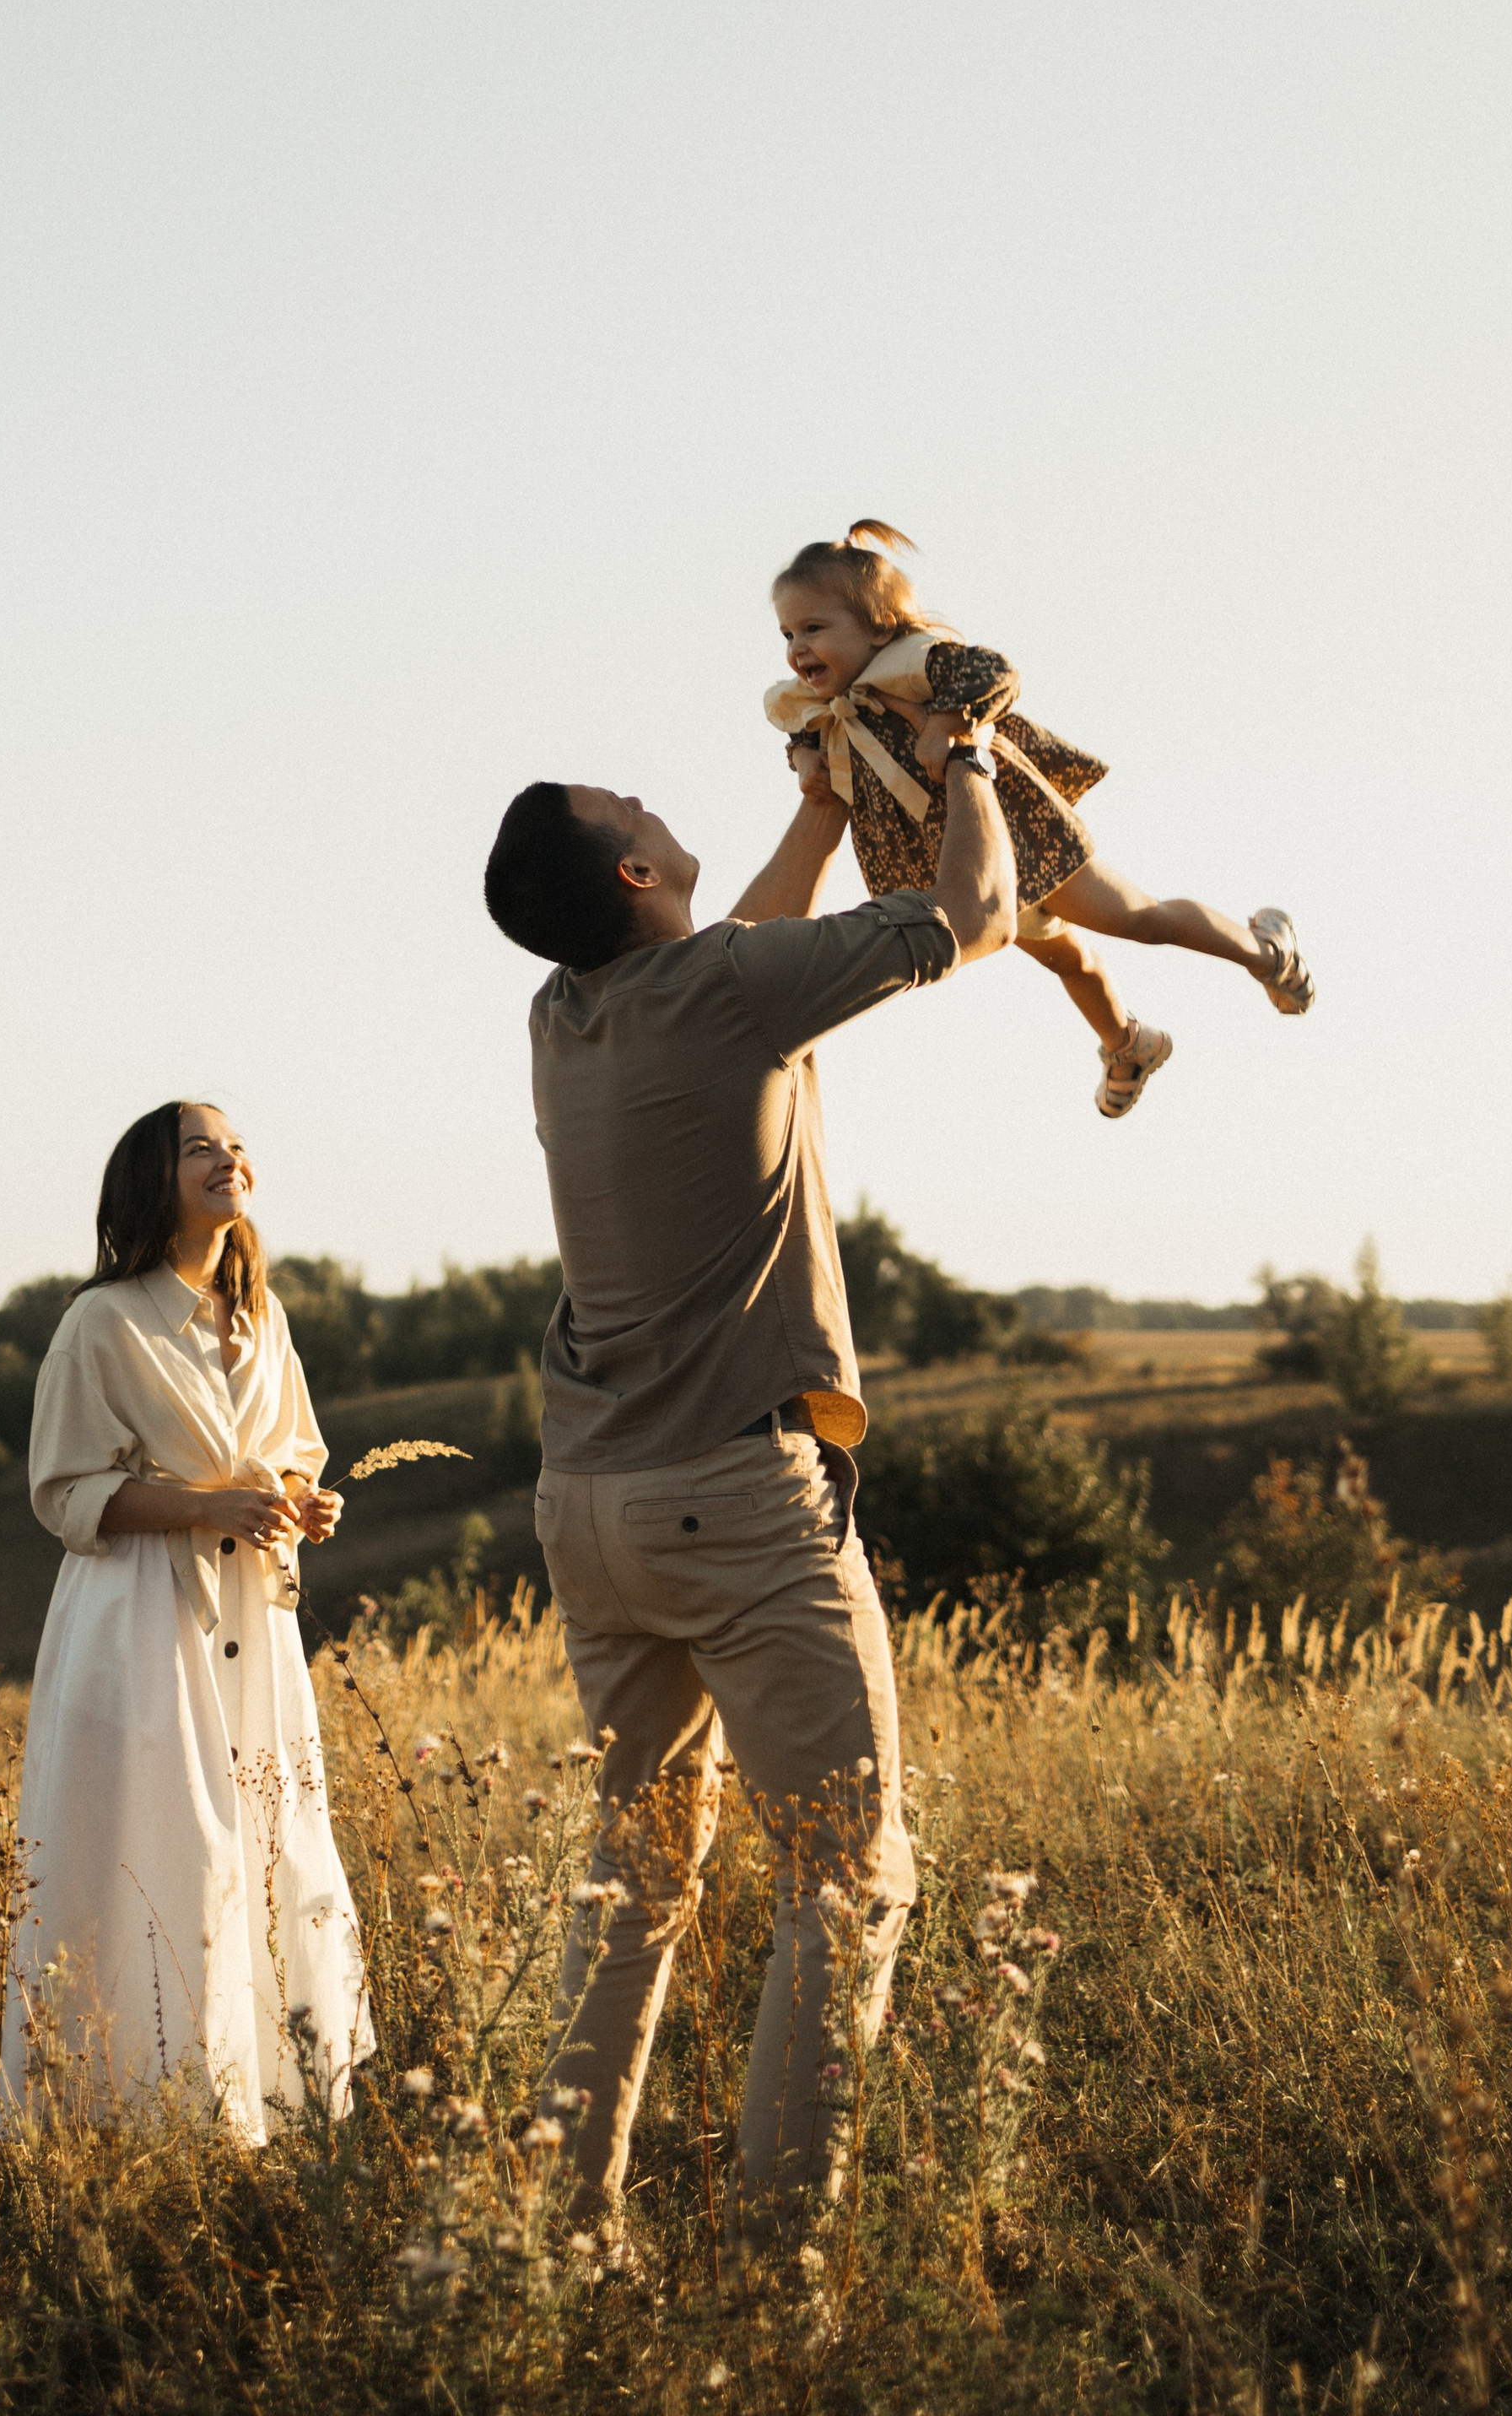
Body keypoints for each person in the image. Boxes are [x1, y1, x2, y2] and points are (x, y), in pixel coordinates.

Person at [481, 724, 1014, 2233]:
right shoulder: (719, 997)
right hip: (736, 1508)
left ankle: (564, 2227)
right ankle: (781, 2254)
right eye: (630, 805)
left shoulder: (564, 1014)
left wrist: (821, 813)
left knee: (633, 1883)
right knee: (850, 1882)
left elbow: (745, 952)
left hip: (591, 1511)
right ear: (638, 871)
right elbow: (972, 915)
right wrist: (966, 749)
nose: (650, 791)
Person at [0, 1100, 373, 2143]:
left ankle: (253, 2116)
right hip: (140, 1621)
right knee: (158, 1853)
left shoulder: (262, 1318)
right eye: (200, 1145)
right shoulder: (102, 1322)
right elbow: (67, 1490)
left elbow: (294, 1447)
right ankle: (123, 2119)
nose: (230, 1156)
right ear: (150, 1179)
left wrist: (306, 1500)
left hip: (254, 1623)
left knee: (265, 1849)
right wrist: (207, 1506)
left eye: (237, 1143)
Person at [767, 520, 1315, 1120]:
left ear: (875, 625)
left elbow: (996, 673)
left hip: (1020, 841)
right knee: (1068, 961)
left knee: (1142, 920)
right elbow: (798, 726)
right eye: (788, 633)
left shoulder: (915, 663)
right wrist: (803, 757)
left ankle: (1267, 951)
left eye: (815, 629)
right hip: (963, 870)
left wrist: (948, 721)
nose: (797, 649)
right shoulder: (819, 704)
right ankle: (1128, 1045)